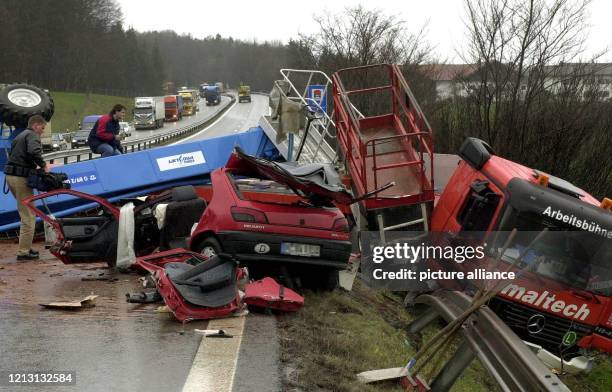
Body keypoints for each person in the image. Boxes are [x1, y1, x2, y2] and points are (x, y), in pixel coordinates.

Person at [3, 115, 49, 260]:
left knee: (25, 211)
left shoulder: (20, 136)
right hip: (21, 178)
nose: (42, 131)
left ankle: (26, 248)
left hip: (10, 177)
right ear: (35, 125)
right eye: (42, 128)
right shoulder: (32, 135)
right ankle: (24, 252)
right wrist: (43, 165)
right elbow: (34, 152)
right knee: (28, 215)